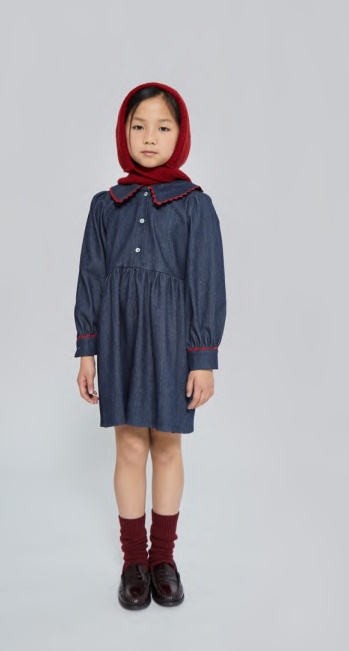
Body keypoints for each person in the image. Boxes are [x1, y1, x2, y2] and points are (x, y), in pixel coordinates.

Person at [73, 81, 227, 610]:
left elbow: (207, 282)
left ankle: (163, 557)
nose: (149, 137)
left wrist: (202, 358)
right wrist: (87, 349)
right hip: (119, 339)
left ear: (181, 135)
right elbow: (90, 278)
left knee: (166, 446)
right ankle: (132, 562)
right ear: (124, 133)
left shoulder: (195, 206)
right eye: (138, 126)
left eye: (163, 127)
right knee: (129, 446)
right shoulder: (105, 206)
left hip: (172, 342)